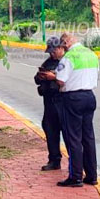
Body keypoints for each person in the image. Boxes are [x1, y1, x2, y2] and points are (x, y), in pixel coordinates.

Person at [39, 32, 99, 187]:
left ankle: (76, 177)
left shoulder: (68, 57)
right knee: (88, 138)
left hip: (73, 99)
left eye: (63, 43)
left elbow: (60, 80)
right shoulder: (91, 54)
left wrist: (52, 77)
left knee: (73, 139)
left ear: (65, 42)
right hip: (90, 97)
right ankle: (92, 176)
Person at [34, 36, 64, 171]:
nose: (51, 54)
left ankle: (75, 163)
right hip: (49, 102)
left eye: (53, 51)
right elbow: (36, 78)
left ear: (60, 48)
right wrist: (41, 76)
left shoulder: (67, 61)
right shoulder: (49, 62)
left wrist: (54, 77)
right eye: (50, 52)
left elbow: (69, 80)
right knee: (50, 129)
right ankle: (54, 160)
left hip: (63, 102)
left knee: (69, 134)